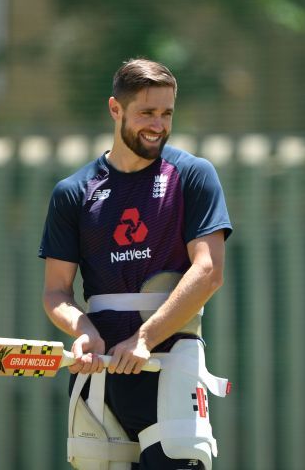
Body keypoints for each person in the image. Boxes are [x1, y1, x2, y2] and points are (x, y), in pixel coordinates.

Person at [39, 58, 232, 470]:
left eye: (166, 114)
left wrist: (144, 338)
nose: (158, 125)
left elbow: (209, 271)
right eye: (147, 112)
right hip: (98, 377)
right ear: (116, 109)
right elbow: (56, 291)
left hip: (170, 368)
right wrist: (83, 330)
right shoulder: (73, 192)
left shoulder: (194, 175)